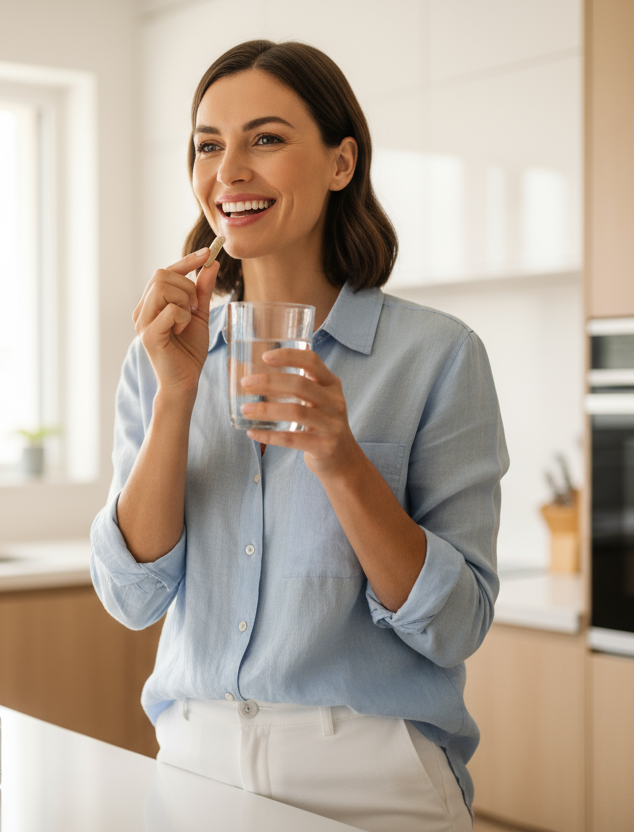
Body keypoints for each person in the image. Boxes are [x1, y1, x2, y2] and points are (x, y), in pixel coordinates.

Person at [91, 39, 507, 832]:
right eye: (209, 145)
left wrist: (341, 460)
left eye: (267, 139)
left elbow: (455, 625)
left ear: (341, 162)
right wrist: (176, 397)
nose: (229, 171)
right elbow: (132, 597)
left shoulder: (438, 355)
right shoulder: (160, 355)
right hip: (192, 767)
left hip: (373, 780)